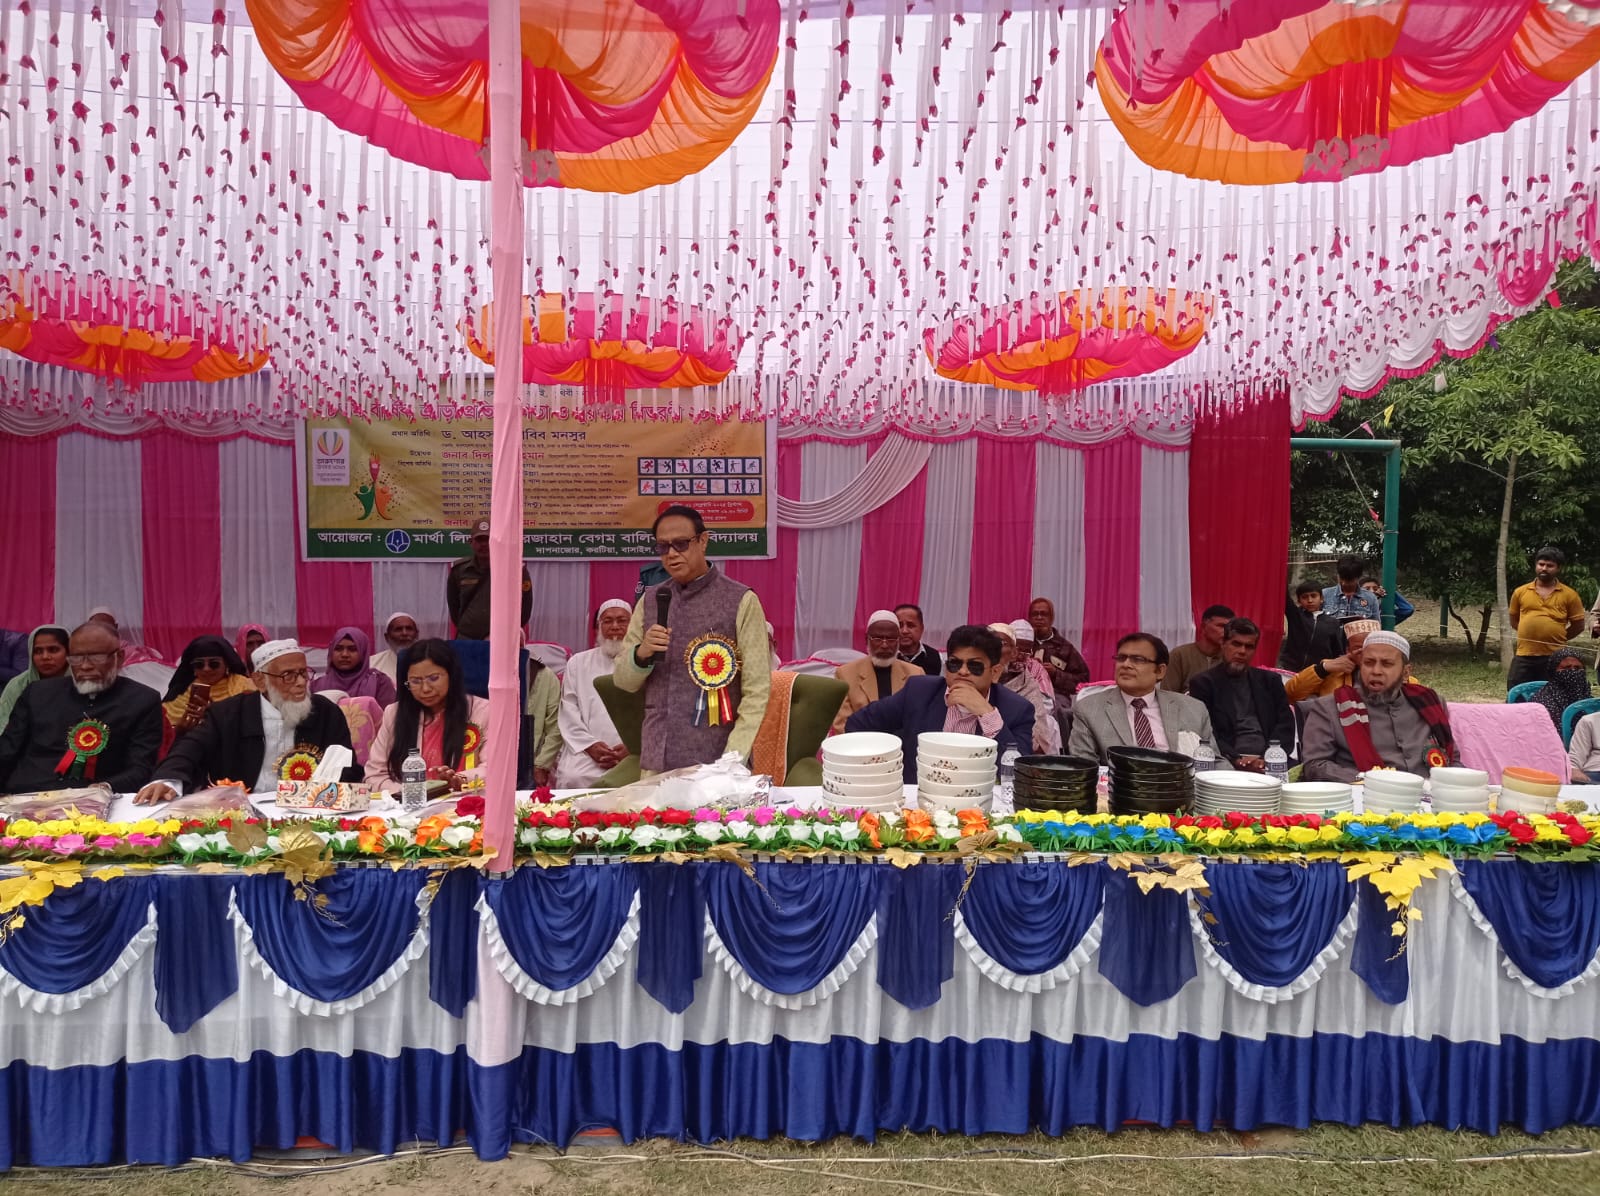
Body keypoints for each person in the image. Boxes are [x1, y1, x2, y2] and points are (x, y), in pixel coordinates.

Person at [613, 506, 772, 773]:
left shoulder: (741, 600)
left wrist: (731, 761)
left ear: (703, 541)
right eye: (663, 547)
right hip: (657, 758)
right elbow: (622, 681)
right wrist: (641, 654)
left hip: (717, 761)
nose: (672, 554)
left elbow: (757, 691)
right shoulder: (650, 600)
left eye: (681, 544)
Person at [135, 639, 359, 802]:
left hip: (310, 809)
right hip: (241, 811)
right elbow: (190, 749)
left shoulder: (325, 712)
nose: (301, 682)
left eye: (303, 673)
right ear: (260, 680)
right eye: (288, 675)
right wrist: (167, 780)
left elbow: (347, 767)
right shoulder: (227, 713)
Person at [844, 624, 1035, 784]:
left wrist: (987, 714)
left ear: (995, 672)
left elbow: (1021, 774)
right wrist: (886, 769)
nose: (963, 672)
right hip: (918, 801)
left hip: (978, 803)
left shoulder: (1017, 709)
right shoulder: (919, 692)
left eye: (974, 666)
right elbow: (857, 724)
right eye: (955, 664)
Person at [0, 621, 163, 795]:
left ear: (119, 657)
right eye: (76, 658)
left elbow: (140, 768)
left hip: (93, 798)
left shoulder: (142, 700)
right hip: (24, 793)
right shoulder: (37, 693)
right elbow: (7, 751)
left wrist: (104, 788)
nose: (85, 666)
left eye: (96, 657)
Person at [1300, 630, 1458, 782]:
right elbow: (1315, 765)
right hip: (1364, 795)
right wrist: (1369, 780)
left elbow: (1453, 760)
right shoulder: (1330, 708)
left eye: (1386, 664)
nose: (1376, 671)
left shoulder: (1430, 703)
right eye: (1368, 663)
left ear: (1405, 672)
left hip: (1432, 793)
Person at [1067, 632, 1215, 764]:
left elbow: (1214, 761)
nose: (1126, 665)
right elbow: (1083, 767)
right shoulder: (1089, 709)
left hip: (1181, 783)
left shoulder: (1193, 709)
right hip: (1121, 785)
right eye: (1121, 658)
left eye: (1138, 660)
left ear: (1160, 671)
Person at [366, 639, 491, 793]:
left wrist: (460, 779)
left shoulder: (483, 711)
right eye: (415, 681)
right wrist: (411, 793)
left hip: (465, 799)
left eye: (433, 678)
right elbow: (374, 776)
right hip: (408, 803)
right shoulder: (394, 713)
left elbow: (494, 768)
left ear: (451, 676)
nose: (425, 689)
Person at [1188, 617, 1297, 771]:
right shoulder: (1204, 683)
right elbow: (1206, 732)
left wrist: (1267, 758)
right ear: (1223, 643)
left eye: (1249, 646)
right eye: (1236, 644)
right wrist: (1236, 759)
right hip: (1224, 760)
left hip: (1270, 759)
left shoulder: (1270, 681)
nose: (1242, 651)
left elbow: (1285, 725)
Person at [554, 600, 632, 789]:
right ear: (598, 627)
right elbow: (569, 711)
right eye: (608, 621)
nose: (615, 626)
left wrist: (633, 747)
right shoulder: (578, 663)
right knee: (573, 777)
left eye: (622, 621)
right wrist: (591, 746)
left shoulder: (643, 662)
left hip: (633, 751)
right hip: (586, 750)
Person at [1509, 547, 1586, 690]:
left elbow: (1578, 625)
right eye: (1541, 564)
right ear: (1536, 565)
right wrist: (1529, 633)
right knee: (1517, 693)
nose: (1544, 568)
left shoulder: (1570, 594)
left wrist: (1558, 637)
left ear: (1558, 568)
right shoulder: (1520, 592)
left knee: (1553, 694)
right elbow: (1514, 620)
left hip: (1555, 657)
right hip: (1524, 654)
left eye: (1550, 565)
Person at [833, 610, 919, 734]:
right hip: (860, 744)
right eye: (877, 639)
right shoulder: (845, 674)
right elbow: (842, 726)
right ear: (866, 639)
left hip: (902, 744)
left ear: (899, 641)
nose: (884, 645)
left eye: (890, 639)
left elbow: (918, 721)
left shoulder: (915, 674)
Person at [446, 518, 533, 640]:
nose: (484, 544)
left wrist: (504, 633)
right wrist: (470, 628)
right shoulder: (459, 570)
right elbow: (454, 607)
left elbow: (525, 608)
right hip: (467, 639)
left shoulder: (514, 570)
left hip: (501, 640)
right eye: (479, 540)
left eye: (488, 539)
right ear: (471, 542)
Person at [1285, 619, 1396, 704]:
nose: (1365, 652)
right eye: (1358, 647)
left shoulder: (1393, 672)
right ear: (1348, 650)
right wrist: (1322, 669)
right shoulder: (1333, 671)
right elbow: (1290, 695)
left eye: (1370, 647)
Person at [162, 635, 256, 734]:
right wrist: (178, 731)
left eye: (214, 664)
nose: (206, 669)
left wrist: (215, 715)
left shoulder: (245, 687)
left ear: (227, 664)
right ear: (193, 668)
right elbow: (161, 734)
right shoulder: (180, 693)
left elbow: (254, 725)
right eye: (199, 664)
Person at [989, 622, 1059, 753]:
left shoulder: (1026, 681)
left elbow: (1037, 738)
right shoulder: (971, 675)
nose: (994, 649)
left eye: (1001, 643)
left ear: (1013, 652)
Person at [0, 626, 70, 736]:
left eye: (53, 650)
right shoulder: (18, 684)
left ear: (69, 651)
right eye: (38, 651)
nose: (45, 657)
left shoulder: (80, 683)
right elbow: (3, 723)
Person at [312, 627, 398, 709]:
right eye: (338, 649)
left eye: (352, 649)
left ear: (363, 652)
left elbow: (389, 716)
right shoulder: (316, 685)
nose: (344, 654)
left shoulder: (379, 683)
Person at [1026, 598, 1090, 702]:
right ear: (1029, 618)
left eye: (1044, 614)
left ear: (1051, 618)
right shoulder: (1023, 644)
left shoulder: (1065, 647)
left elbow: (1083, 681)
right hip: (1025, 694)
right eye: (1035, 614)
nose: (1039, 618)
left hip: (1056, 697)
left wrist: (1056, 674)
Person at [1163, 604, 1233, 693]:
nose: (1226, 631)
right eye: (1221, 626)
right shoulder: (1180, 655)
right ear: (1203, 626)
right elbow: (1167, 694)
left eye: (1230, 628)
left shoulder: (1230, 658)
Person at [1280, 583, 1347, 673]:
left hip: (1318, 673)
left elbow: (1337, 651)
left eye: (1313, 596)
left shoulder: (1333, 623)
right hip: (1290, 668)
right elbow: (1284, 594)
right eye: (1305, 597)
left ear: (1321, 599)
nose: (1310, 600)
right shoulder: (1296, 616)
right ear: (1299, 601)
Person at [1534, 647, 1592, 731]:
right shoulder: (1543, 703)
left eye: (1577, 668)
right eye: (1566, 668)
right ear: (1553, 670)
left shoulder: (1587, 696)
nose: (1573, 671)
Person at [86, 607, 165, 665]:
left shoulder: (131, 652)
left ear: (115, 626)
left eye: (107, 625)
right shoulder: (82, 651)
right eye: (97, 625)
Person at [526, 656, 560, 788]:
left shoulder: (545, 676)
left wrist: (541, 765)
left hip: (534, 762)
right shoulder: (480, 671)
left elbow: (556, 727)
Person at [1321, 556, 1382, 624]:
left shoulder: (1370, 598)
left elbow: (1375, 625)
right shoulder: (1324, 595)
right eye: (1342, 578)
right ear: (1338, 574)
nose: (1344, 583)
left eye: (1349, 580)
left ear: (1359, 577)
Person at [369, 613, 420, 684]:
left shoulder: (430, 660)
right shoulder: (371, 663)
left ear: (417, 634)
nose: (404, 633)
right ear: (387, 637)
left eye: (409, 629)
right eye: (398, 629)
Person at [895, 604, 941, 675]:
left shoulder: (936, 657)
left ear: (921, 628)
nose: (904, 631)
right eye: (900, 626)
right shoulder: (886, 657)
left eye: (910, 625)